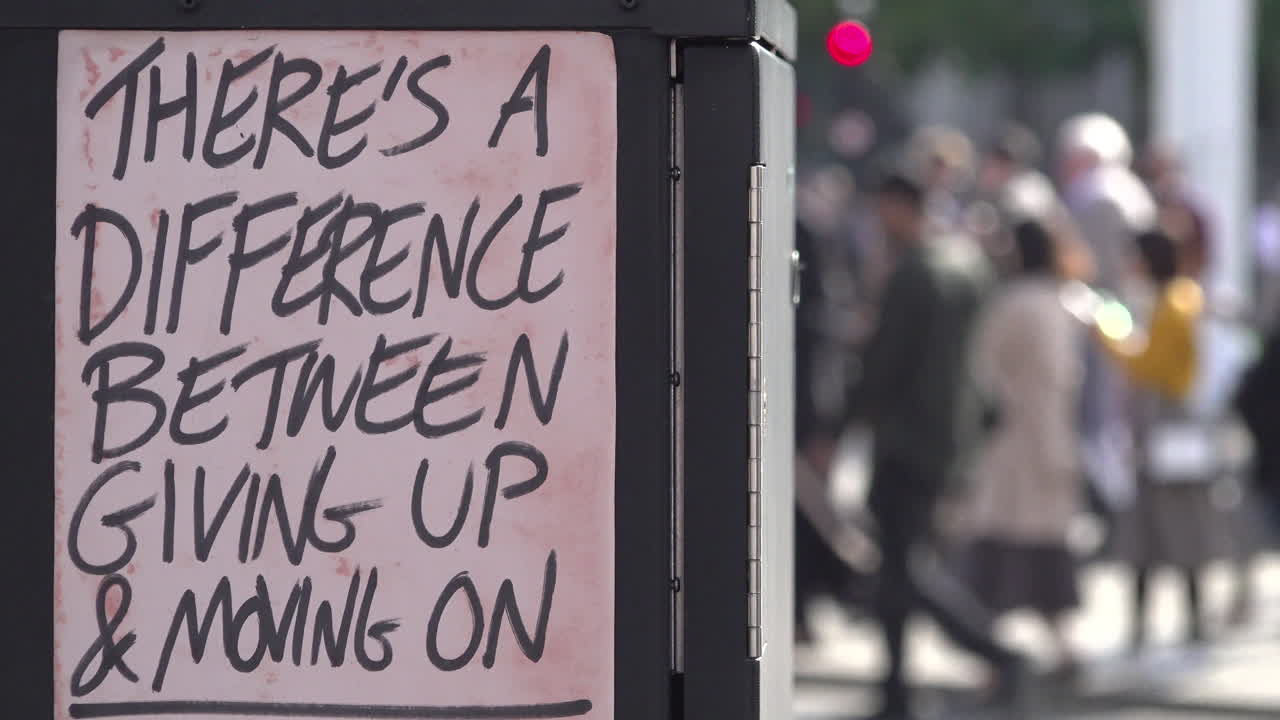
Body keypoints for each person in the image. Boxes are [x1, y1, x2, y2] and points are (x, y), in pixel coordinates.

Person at [856, 171, 1026, 719]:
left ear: (900, 205)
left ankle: (994, 653)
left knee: (903, 568)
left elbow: (885, 365)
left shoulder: (916, 273)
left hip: (907, 439)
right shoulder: (968, 266)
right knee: (902, 567)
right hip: (949, 437)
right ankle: (897, 687)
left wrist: (841, 425)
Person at [1095, 228, 1223, 648]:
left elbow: (1146, 364)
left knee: (1175, 524)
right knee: (1150, 530)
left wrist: (1109, 331)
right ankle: (1155, 623)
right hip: (1165, 425)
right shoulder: (1176, 298)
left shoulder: (1174, 303)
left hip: (1168, 426)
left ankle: (1182, 621)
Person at [966, 219, 1084, 673]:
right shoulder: (1062, 301)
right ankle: (1050, 648)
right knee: (1043, 553)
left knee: (1003, 554)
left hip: (1017, 442)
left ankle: (996, 656)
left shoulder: (1014, 304)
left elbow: (981, 368)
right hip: (1045, 438)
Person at [1057, 113, 1156, 545]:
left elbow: (1091, 270)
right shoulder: (1129, 192)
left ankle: (1117, 516)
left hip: (1107, 316)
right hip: (1123, 313)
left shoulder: (1097, 196)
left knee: (1102, 420)